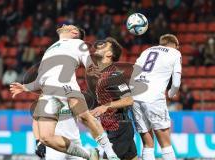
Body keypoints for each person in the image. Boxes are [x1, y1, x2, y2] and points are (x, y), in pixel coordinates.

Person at [10, 24, 119, 160]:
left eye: (68, 25)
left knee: (84, 117)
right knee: (45, 138)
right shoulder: (49, 49)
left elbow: (88, 64)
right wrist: (26, 87)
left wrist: (92, 69)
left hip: (68, 87)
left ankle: (110, 153)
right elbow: (40, 79)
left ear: (74, 32)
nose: (63, 25)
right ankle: (88, 154)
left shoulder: (78, 43)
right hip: (49, 93)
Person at [131, 34, 181, 160]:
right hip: (153, 97)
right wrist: (171, 93)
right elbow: (176, 82)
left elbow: (134, 72)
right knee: (165, 142)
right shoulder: (175, 53)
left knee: (147, 143)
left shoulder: (146, 51)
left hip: (135, 96)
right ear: (175, 45)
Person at [89, 37, 137, 160]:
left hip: (119, 128)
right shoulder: (104, 75)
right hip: (116, 128)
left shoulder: (113, 75)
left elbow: (129, 100)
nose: (99, 45)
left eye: (104, 46)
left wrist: (105, 107)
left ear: (109, 54)